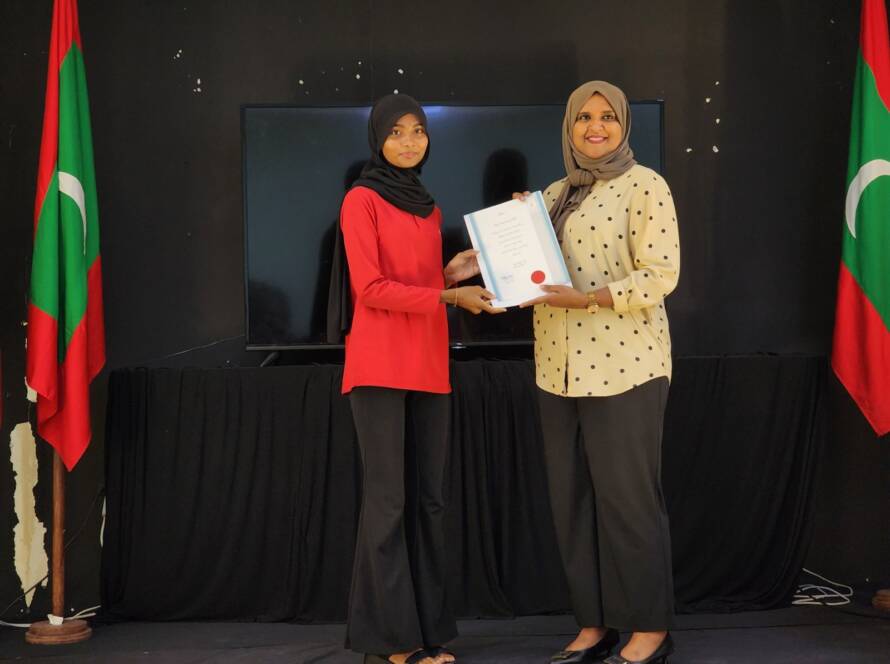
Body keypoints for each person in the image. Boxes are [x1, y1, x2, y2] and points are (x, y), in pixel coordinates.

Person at [517, 81, 680, 664]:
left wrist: (588, 300)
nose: (595, 127)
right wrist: (504, 241)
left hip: (624, 367)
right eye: (583, 117)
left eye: (607, 116)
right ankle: (595, 624)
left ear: (623, 124)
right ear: (569, 126)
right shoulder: (555, 193)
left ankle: (650, 628)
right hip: (557, 369)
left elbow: (660, 275)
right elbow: (529, 271)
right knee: (573, 504)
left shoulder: (645, 185)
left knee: (628, 503)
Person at [340, 93, 504, 664]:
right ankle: (392, 642)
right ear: (377, 138)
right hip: (379, 365)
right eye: (396, 132)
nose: (409, 142)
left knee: (429, 502)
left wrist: (453, 273)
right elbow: (370, 288)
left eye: (418, 131)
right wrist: (449, 296)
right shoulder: (360, 199)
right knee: (388, 504)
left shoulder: (428, 208)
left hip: (429, 364)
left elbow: (418, 281)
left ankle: (428, 633)